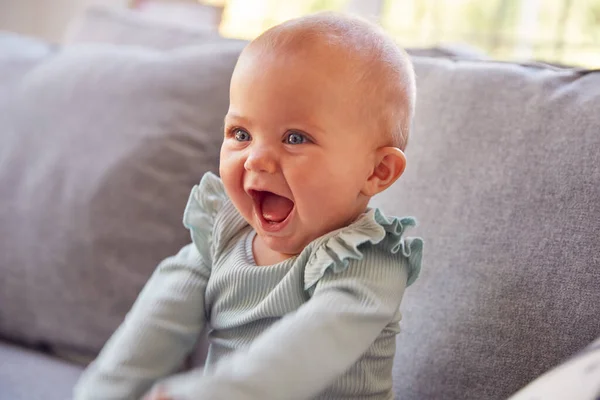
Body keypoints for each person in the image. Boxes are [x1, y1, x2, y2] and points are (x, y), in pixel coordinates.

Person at [73, 11, 423, 400]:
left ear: (377, 170)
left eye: (295, 138)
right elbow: (157, 322)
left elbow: (305, 352)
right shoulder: (223, 237)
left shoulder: (367, 262)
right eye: (241, 133)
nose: (256, 159)